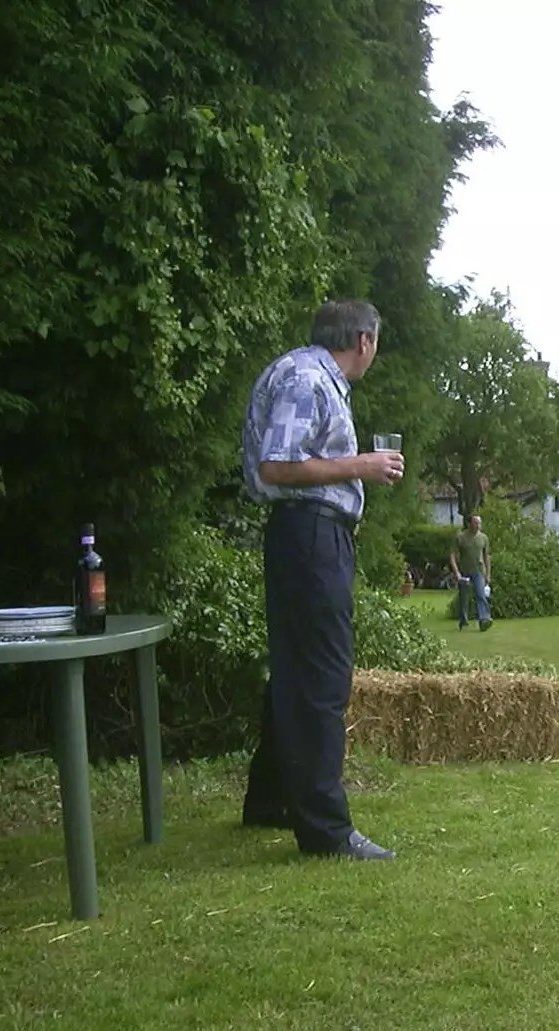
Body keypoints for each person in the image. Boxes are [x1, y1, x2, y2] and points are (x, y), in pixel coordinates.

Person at [239, 299, 403, 860]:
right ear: (363, 341)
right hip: (310, 533)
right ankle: (327, 832)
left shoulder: (304, 373)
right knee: (323, 678)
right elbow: (276, 465)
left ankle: (270, 801)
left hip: (303, 534)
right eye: (375, 344)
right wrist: (362, 464)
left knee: (293, 672)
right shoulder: (309, 379)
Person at [449, 514, 492, 631]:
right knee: (464, 597)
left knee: (480, 594)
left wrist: (488, 574)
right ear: (470, 524)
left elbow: (486, 556)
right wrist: (456, 572)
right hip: (464, 572)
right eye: (475, 523)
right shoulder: (461, 538)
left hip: (479, 571)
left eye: (479, 523)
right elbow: (452, 555)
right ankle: (463, 619)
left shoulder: (483, 538)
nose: (478, 525)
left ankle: (484, 619)